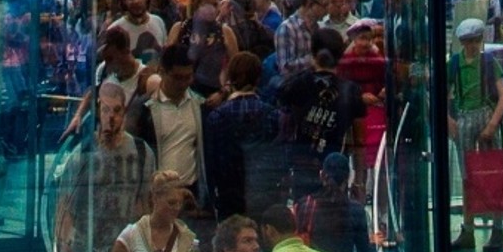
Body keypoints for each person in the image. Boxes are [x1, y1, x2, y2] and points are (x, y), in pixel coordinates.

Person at [55, 81, 147, 252]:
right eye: (105, 110)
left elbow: (145, 203)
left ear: (124, 112)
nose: (111, 117)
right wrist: (63, 243)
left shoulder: (141, 152)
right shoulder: (83, 154)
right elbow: (66, 202)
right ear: (98, 111)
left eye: (117, 110)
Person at [447, 16, 503, 252]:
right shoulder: (454, 63)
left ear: (481, 40)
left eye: (475, 40)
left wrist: (493, 123)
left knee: (493, 173)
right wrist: (449, 120)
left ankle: (498, 230)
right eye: (467, 41)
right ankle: (468, 229)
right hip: (464, 116)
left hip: (485, 113)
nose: (471, 46)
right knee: (467, 177)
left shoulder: (489, 62)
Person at [275, 27, 360, 197]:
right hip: (336, 168)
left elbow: (284, 127)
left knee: (305, 216)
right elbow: (359, 140)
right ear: (340, 55)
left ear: (312, 52)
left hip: (302, 165)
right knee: (335, 217)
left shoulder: (293, 86)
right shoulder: (351, 90)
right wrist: (360, 180)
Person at [203, 52, 278, 221]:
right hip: (263, 195)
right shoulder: (272, 115)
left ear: (230, 77)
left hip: (228, 197)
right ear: (258, 78)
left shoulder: (217, 116)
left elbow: (211, 164)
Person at [137, 46, 206, 202]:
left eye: (188, 77)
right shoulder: (147, 110)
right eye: (177, 77)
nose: (183, 84)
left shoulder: (199, 106)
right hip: (159, 194)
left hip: (191, 192)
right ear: (162, 72)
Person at [167, 0, 238, 101]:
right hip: (180, 95)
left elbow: (236, 70)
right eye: (206, 4)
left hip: (212, 96)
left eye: (215, 4)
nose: (211, 9)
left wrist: (223, 93)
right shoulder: (179, 29)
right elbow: (165, 65)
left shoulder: (225, 32)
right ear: (195, 5)